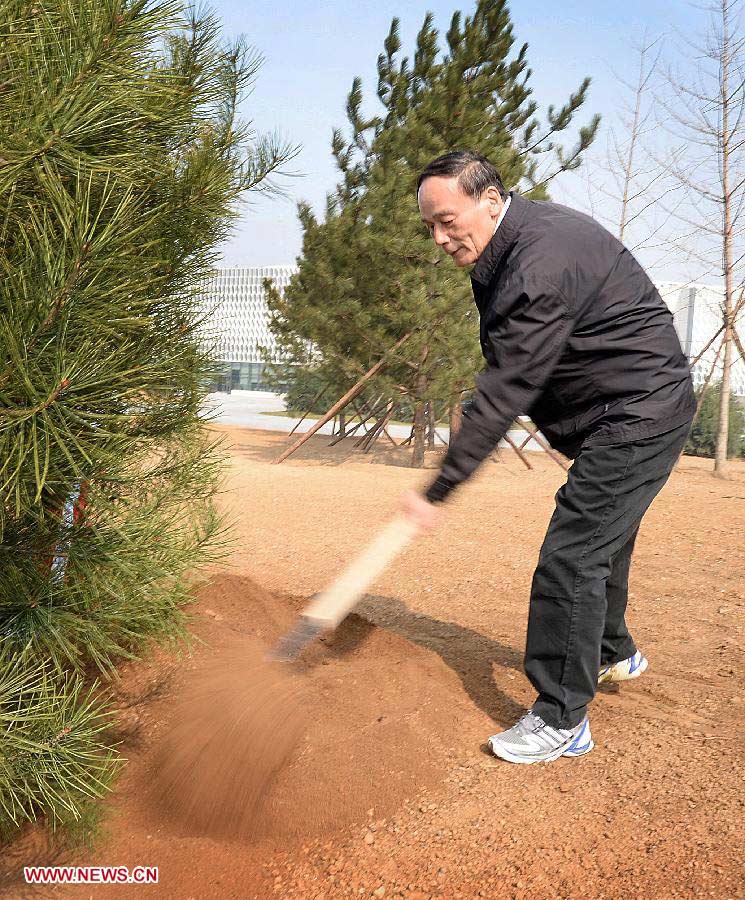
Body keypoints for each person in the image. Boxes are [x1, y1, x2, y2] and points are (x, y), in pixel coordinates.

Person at [401, 149, 695, 765]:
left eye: (448, 220)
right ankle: (614, 651)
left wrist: (440, 488)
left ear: (489, 199)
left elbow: (506, 386)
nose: (440, 237)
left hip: (637, 412)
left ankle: (562, 717)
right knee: (603, 542)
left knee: (572, 557)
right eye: (430, 225)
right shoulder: (525, 237)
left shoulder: (536, 265)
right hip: (627, 405)